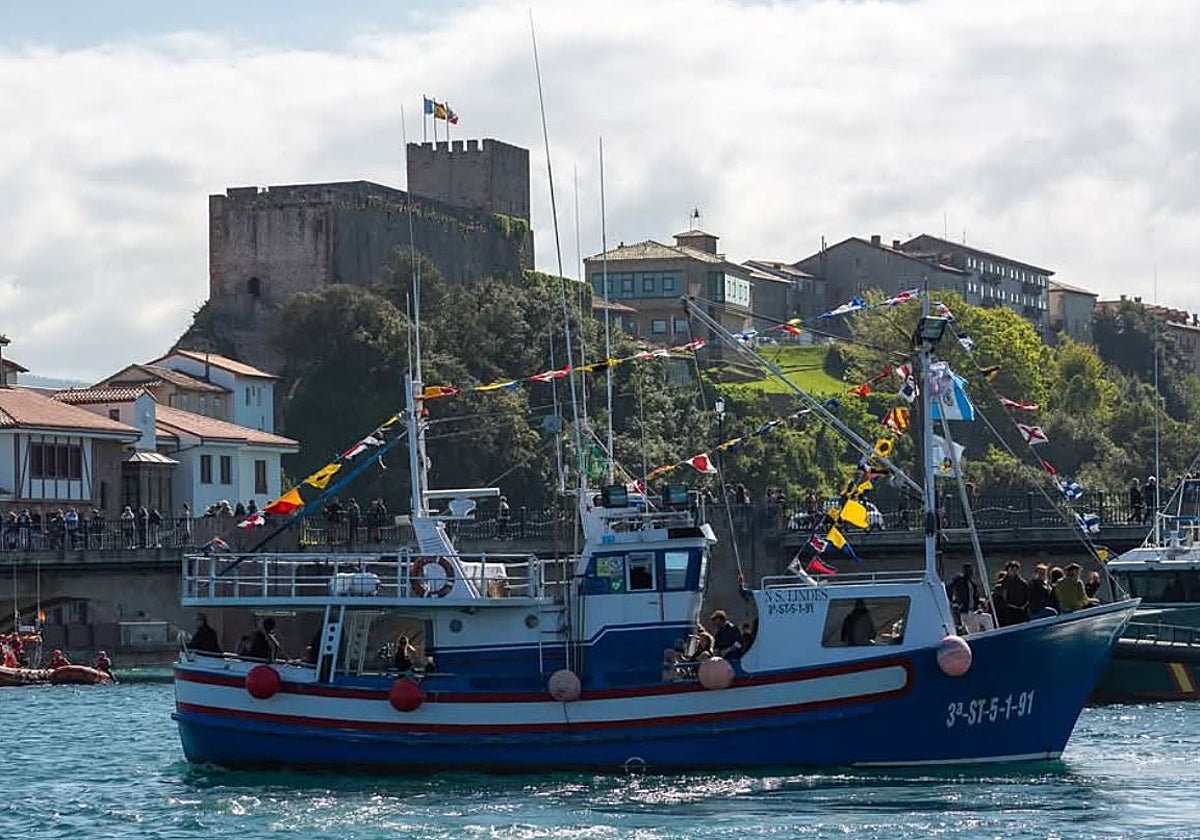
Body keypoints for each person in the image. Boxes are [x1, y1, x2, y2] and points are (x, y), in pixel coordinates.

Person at [996, 561, 1031, 626]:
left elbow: (1028, 597)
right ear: (1007, 570)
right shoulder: (1002, 583)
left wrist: (1023, 606)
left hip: (1021, 612)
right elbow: (1001, 599)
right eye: (1012, 569)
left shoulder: (1023, 584)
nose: (1014, 572)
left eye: (1016, 569)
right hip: (1006, 613)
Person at [946, 564, 980, 630]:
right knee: (971, 627)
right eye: (968, 571)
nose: (970, 572)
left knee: (986, 619)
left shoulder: (972, 584)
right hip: (963, 610)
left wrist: (978, 606)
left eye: (971, 570)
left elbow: (975, 596)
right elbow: (949, 588)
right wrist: (953, 601)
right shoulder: (959, 580)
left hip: (972, 610)